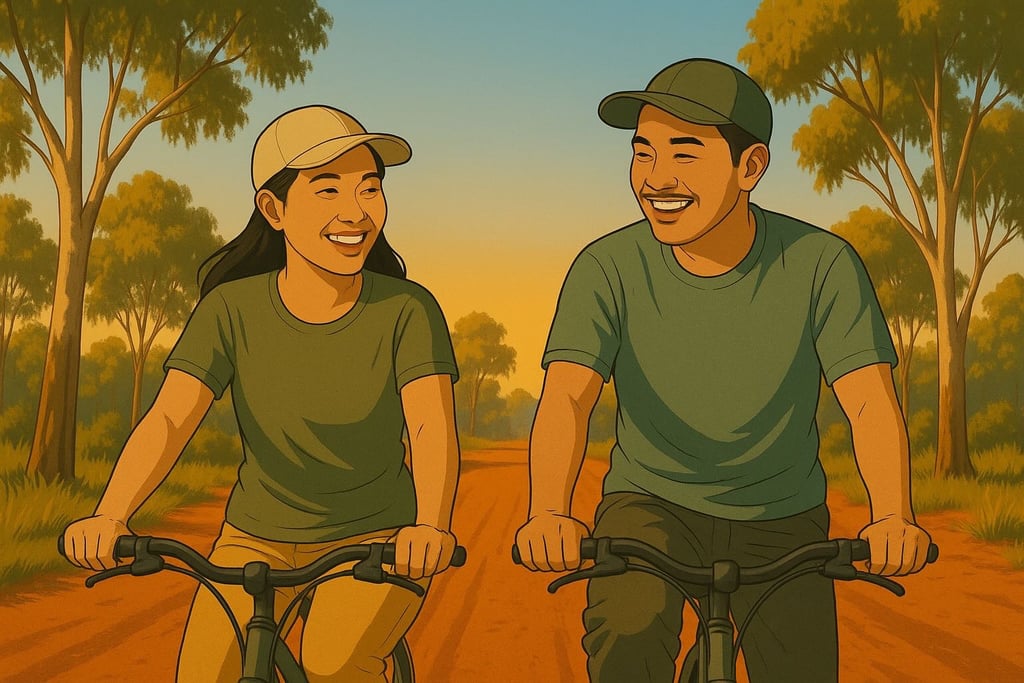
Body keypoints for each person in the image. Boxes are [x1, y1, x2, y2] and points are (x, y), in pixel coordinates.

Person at [514, 58, 933, 682]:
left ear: (751, 167)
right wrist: (548, 509)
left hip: (783, 516)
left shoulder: (823, 264)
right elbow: (568, 399)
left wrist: (894, 513)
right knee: (627, 637)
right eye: (643, 153)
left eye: (685, 155)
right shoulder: (606, 267)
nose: (657, 179)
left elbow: (869, 401)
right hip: (649, 508)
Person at [61, 105, 461, 682]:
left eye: (369, 189)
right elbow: (171, 416)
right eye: (328, 190)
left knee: (333, 666)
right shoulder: (231, 309)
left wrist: (430, 527)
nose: (356, 212)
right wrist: (110, 515)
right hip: (253, 539)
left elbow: (429, 425)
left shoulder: (407, 309)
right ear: (273, 209)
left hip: (376, 541)